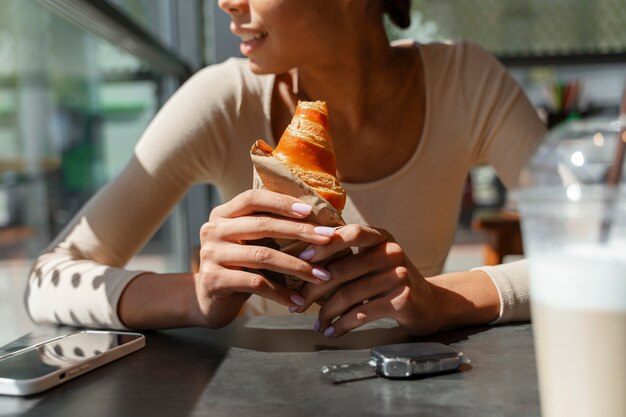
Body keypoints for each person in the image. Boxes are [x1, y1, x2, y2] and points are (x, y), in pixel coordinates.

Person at [25, 0, 546, 337]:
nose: (227, 3)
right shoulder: (224, 99)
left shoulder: (468, 82)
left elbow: (608, 251)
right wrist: (198, 296)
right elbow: (48, 279)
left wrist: (442, 300)